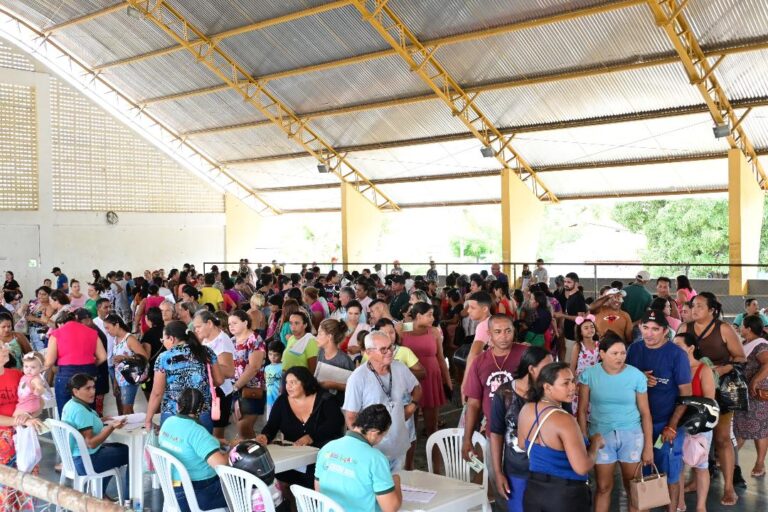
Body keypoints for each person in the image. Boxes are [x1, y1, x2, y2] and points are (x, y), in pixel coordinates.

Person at [677, 292, 745, 505]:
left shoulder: (723, 328)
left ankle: (728, 487)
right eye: (692, 306)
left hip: (719, 393)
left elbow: (741, 357)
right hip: (690, 390)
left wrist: (723, 368)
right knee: (694, 437)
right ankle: (697, 481)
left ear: (711, 310)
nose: (693, 310)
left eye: (698, 306)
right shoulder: (683, 329)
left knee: (722, 438)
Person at [577, 334, 653, 512]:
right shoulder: (589, 375)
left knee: (633, 486)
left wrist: (648, 446)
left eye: (623, 353)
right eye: (614, 353)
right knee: (603, 487)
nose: (620, 357)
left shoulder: (636, 376)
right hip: (600, 437)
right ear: (602, 354)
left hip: (631, 436)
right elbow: (581, 410)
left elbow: (645, 413)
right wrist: (583, 440)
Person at [627, 310, 692, 512]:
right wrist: (637, 377)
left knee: (670, 474)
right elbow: (622, 380)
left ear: (665, 331)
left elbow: (685, 395)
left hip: (665, 424)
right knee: (641, 475)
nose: (649, 333)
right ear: (640, 328)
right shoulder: (634, 350)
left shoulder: (677, 355)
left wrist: (672, 426)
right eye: (645, 328)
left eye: (655, 329)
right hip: (636, 425)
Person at [517, 362, 603, 511]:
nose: (572, 387)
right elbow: (582, 467)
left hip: (534, 491)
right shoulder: (564, 420)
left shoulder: (527, 409)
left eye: (573, 381)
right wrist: (596, 443)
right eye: (565, 383)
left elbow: (522, 444)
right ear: (547, 387)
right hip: (565, 495)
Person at [344, 331, 422, 471]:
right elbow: (350, 417)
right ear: (369, 352)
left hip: (398, 446)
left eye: (391, 347)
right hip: (374, 452)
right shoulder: (358, 378)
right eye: (383, 349)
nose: (390, 352)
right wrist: (364, 445)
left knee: (400, 488)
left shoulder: (399, 368)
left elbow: (417, 387)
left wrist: (412, 406)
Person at [256, 366, 345, 488]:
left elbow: (335, 423)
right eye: (287, 383)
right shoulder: (282, 401)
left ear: (305, 382)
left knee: (310, 480)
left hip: (320, 458)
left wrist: (312, 437)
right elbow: (272, 425)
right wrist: (265, 436)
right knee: (278, 474)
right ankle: (289, 504)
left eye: (293, 382)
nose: (288, 386)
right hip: (292, 456)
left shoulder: (325, 399)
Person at [489, 347, 552, 512]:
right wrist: (498, 472)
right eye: (547, 368)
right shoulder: (505, 393)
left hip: (549, 472)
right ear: (531, 369)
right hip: (516, 471)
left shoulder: (552, 392)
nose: (552, 373)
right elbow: (496, 434)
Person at [315, 404, 402, 512]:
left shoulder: (326, 448)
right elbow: (390, 508)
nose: (381, 439)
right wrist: (396, 481)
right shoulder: (376, 459)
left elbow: (318, 490)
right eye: (383, 435)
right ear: (374, 433)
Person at [144, 320, 222, 433]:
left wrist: (148, 419)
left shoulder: (164, 358)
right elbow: (219, 380)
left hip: (172, 414)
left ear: (171, 339)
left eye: (163, 340)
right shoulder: (206, 351)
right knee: (202, 448)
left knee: (173, 449)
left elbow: (157, 393)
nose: (163, 343)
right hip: (201, 412)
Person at [158, 388, 229, 512]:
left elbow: (188, 440)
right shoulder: (197, 432)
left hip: (173, 487)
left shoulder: (168, 422)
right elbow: (220, 464)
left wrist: (217, 441)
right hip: (200, 493)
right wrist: (233, 452)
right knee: (244, 488)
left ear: (177, 405)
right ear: (201, 409)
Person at [61, 373, 129, 499]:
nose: (93, 391)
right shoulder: (81, 411)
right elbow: (91, 443)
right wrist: (111, 426)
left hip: (74, 459)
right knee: (130, 453)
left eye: (93, 387)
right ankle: (128, 501)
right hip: (86, 461)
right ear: (75, 391)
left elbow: (82, 425)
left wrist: (102, 420)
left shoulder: (71, 405)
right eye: (87, 388)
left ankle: (100, 494)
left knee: (118, 449)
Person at [673, 331, 717, 512]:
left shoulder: (702, 369)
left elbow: (709, 400)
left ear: (690, 348)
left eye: (678, 345)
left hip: (700, 425)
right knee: (678, 465)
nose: (674, 349)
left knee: (701, 465)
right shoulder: (674, 368)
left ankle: (701, 507)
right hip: (677, 424)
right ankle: (680, 502)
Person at [400, 302, 451, 441]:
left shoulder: (434, 331)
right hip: (410, 378)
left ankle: (433, 454)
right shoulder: (402, 330)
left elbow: (441, 358)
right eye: (429, 315)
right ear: (418, 315)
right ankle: (409, 456)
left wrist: (447, 381)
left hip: (431, 378)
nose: (433, 318)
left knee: (431, 425)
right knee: (409, 424)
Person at [44, 311, 107, 417]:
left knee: (66, 412)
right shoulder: (91, 332)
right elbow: (103, 357)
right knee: (88, 411)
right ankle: (89, 433)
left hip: (66, 375)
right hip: (88, 374)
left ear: (61, 323)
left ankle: (71, 433)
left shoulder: (56, 334)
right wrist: (90, 365)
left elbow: (49, 362)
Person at [734, 314, 768, 479]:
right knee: (740, 425)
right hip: (744, 393)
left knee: (759, 428)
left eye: (742, 326)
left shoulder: (761, 345)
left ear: (748, 328)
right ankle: (730, 458)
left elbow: (767, 363)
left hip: (756, 393)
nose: (740, 329)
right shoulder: (745, 343)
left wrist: (754, 381)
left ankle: (760, 463)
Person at [194, 310, 236, 440]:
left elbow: (229, 371)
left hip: (220, 392)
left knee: (216, 437)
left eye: (198, 327)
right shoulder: (206, 340)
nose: (196, 330)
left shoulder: (222, 341)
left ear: (210, 324)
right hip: (210, 390)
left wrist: (207, 367)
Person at [228, 309, 266, 439]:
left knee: (244, 425)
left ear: (245, 323)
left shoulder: (254, 339)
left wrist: (236, 386)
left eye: (234, 323)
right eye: (229, 324)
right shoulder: (231, 341)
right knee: (239, 423)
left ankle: (254, 450)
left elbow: (254, 367)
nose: (231, 326)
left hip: (251, 388)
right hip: (234, 388)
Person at [105, 314, 147, 415]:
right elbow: (116, 365)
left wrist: (124, 358)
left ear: (117, 325)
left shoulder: (129, 339)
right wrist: (115, 381)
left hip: (129, 378)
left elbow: (144, 357)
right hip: (120, 379)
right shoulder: (115, 340)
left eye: (108, 328)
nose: (107, 331)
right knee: (127, 410)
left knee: (127, 410)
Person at [315, 318, 354, 406]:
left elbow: (354, 386)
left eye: (320, 333)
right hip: (323, 402)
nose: (316, 337)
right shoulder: (321, 352)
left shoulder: (344, 360)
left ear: (330, 336)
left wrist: (334, 385)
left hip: (339, 405)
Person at [554, 272, 587, 363]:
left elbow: (580, 319)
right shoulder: (571, 296)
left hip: (574, 336)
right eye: (565, 282)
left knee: (570, 362)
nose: (566, 284)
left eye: (569, 282)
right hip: (568, 334)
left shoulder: (578, 297)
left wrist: (562, 315)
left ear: (576, 284)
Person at [13, 351, 48, 418]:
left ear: (41, 368)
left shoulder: (35, 379)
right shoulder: (26, 377)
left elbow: (40, 387)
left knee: (15, 418)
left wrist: (39, 391)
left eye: (33, 367)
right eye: (26, 366)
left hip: (29, 404)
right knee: (19, 420)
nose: (29, 369)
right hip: (25, 403)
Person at [622, 270, 653, 343]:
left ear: (636, 277)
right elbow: (647, 314)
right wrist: (633, 324)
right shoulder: (648, 296)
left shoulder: (623, 291)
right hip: (637, 327)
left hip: (622, 326)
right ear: (646, 281)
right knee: (636, 348)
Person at [264, 341, 283, 418]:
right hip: (269, 399)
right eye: (270, 354)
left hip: (279, 400)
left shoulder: (283, 367)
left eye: (276, 355)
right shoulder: (267, 368)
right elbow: (266, 382)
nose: (273, 357)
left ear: (282, 355)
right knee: (270, 420)